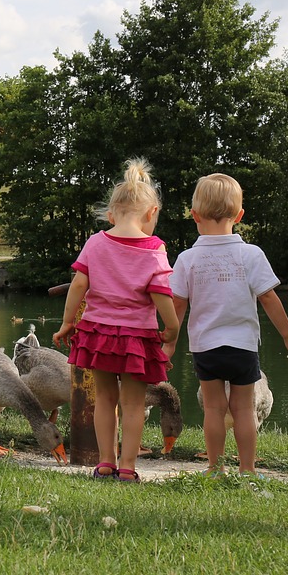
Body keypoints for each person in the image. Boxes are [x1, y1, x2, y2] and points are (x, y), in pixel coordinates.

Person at [164, 173, 288, 476]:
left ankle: (215, 468)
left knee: (214, 409)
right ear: (240, 215)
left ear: (194, 215)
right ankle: (247, 470)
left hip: (205, 348)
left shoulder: (187, 259)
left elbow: (177, 305)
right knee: (243, 410)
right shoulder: (251, 254)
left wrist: (169, 344)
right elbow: (268, 299)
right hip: (243, 347)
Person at [52, 158, 179, 482]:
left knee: (105, 400)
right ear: (151, 214)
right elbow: (161, 293)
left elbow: (79, 284)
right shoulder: (154, 249)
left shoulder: (96, 243)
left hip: (98, 332)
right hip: (137, 336)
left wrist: (68, 322)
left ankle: (105, 462)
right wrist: (173, 326)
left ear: (111, 214)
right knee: (134, 404)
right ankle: (128, 467)